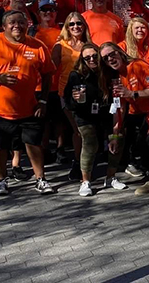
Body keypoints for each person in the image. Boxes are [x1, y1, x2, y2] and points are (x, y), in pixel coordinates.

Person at [0, 11, 57, 196]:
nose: (17, 25)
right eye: (12, 22)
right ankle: (1, 180)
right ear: (3, 26)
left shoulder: (38, 46)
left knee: (34, 144)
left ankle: (40, 179)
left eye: (21, 21)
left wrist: (42, 100)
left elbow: (48, 73)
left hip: (28, 107)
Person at [99, 43, 149, 201]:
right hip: (140, 116)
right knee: (139, 145)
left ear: (120, 52)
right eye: (106, 58)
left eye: (112, 54)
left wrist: (132, 93)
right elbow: (119, 108)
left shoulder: (138, 66)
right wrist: (115, 136)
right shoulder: (115, 78)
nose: (111, 59)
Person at [63, 43, 127, 196]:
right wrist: (75, 99)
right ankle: (85, 181)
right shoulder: (76, 75)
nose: (91, 59)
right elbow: (68, 102)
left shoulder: (108, 72)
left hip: (105, 112)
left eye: (94, 56)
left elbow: (116, 99)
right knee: (90, 142)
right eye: (87, 57)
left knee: (118, 137)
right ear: (82, 59)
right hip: (84, 114)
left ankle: (111, 177)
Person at [52, 12, 91, 180]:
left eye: (79, 24)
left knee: (87, 131)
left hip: (87, 93)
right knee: (77, 130)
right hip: (66, 93)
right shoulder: (60, 46)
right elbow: (50, 69)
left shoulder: (90, 45)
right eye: (72, 24)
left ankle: (86, 162)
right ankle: (78, 162)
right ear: (67, 27)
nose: (76, 27)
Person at [35, 0, 65, 166]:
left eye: (51, 10)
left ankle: (60, 149)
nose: (48, 13)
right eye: (44, 10)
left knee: (59, 120)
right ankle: (45, 149)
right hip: (39, 84)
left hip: (59, 83)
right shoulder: (33, 32)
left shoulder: (62, 32)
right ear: (39, 13)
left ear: (56, 13)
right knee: (43, 120)